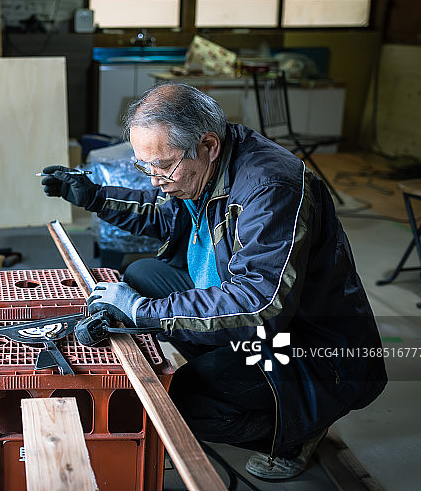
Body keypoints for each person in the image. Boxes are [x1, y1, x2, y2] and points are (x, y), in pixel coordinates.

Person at [41, 82, 387, 480]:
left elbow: (262, 304)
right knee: (142, 275)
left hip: (310, 346)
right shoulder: (202, 165)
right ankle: (226, 374)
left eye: (162, 166)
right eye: (144, 166)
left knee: (177, 402)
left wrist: (141, 311)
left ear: (208, 146)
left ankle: (294, 435)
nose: (154, 179)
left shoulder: (270, 187)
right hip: (255, 315)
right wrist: (94, 196)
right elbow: (164, 215)